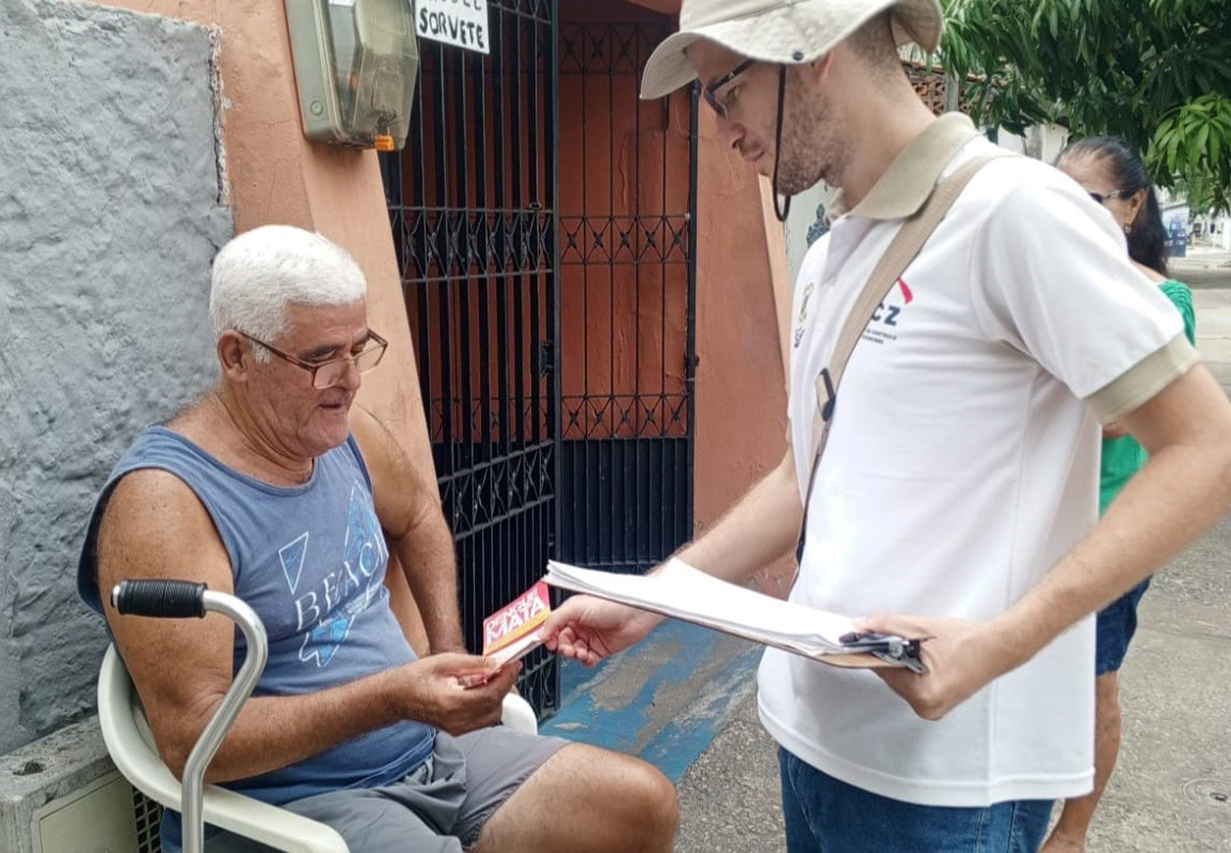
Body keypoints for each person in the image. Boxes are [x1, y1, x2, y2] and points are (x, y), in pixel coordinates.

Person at [543, 2, 1231, 852]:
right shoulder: (833, 252)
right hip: (812, 742)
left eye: (725, 90)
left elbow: (1206, 446)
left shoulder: (1014, 212)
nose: (721, 130)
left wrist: (1002, 642)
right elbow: (806, 477)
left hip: (947, 785)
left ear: (813, 54)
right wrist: (651, 597)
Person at [77, 225, 677, 853]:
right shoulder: (166, 502)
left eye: (358, 348)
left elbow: (418, 514)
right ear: (236, 357)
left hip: (436, 755)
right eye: (321, 358)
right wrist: (394, 697)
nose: (350, 378)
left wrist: (452, 656)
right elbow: (194, 739)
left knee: (640, 806)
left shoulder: (339, 432)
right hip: (299, 809)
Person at [1039, 138, 1197, 853]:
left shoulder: (1161, 298)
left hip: (1111, 529)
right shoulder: (1049, 285)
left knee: (1094, 681)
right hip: (1045, 525)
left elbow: (1112, 420)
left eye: (1090, 200)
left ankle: (1071, 833)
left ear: (1132, 207)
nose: (1068, 214)